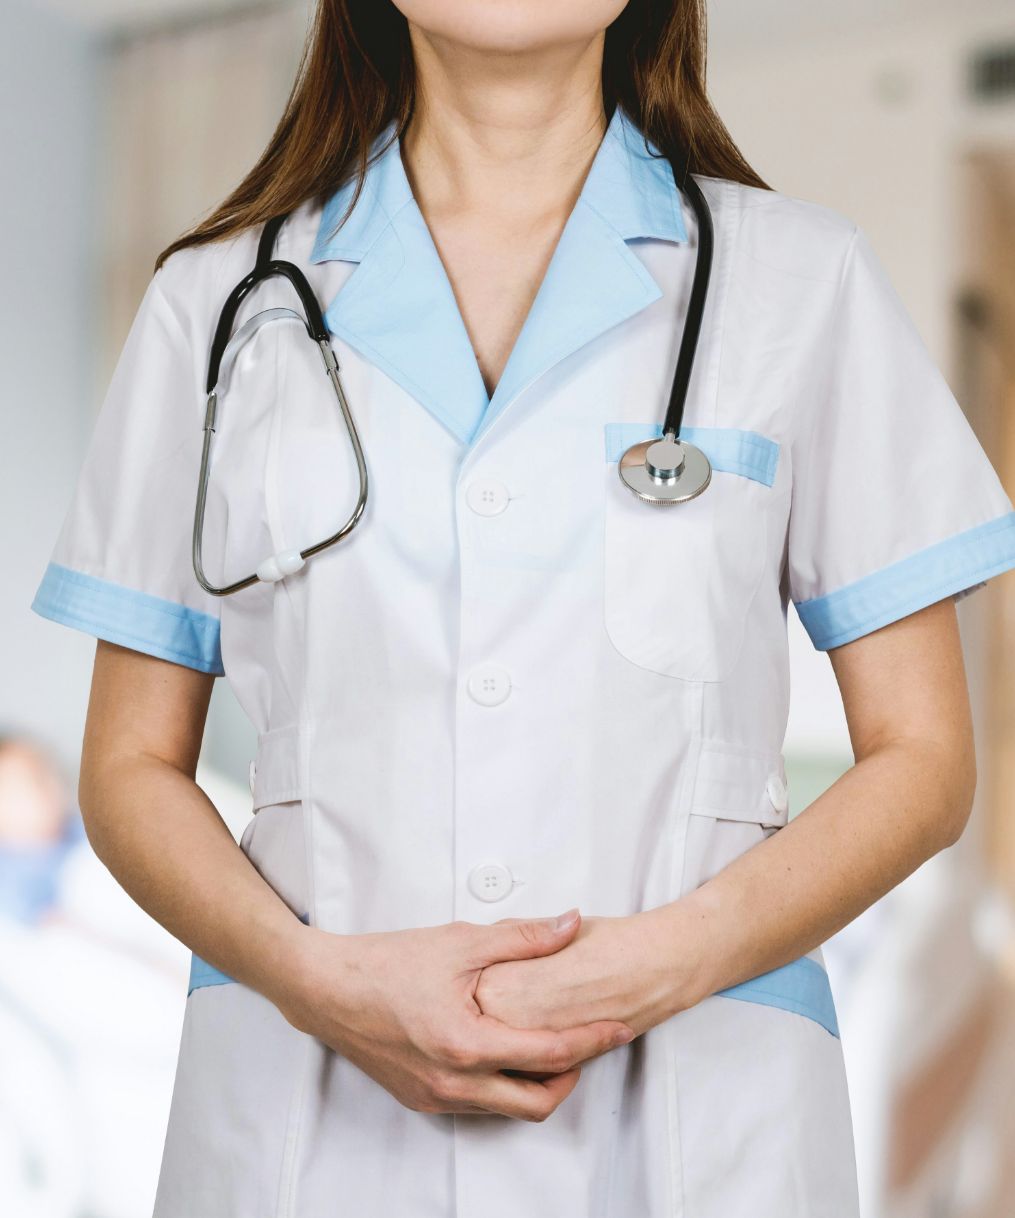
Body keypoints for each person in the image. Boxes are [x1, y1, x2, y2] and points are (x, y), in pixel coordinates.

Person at [29, 1, 1015, 1215]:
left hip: (695, 1121)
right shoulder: (220, 301)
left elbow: (922, 762)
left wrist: (663, 965)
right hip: (312, 1120)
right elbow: (128, 768)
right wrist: (317, 980)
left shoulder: (799, 284)